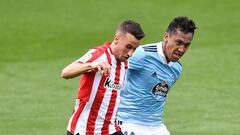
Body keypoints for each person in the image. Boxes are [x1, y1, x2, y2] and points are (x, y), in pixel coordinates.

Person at [61, 20, 145, 135]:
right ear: (116, 39)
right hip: (85, 130)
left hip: (110, 130)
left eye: (134, 49)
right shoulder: (99, 55)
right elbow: (66, 72)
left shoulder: (125, 63)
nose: (130, 53)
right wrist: (91, 65)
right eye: (128, 47)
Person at [117, 16, 197, 135]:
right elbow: (113, 64)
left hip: (155, 125)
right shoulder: (143, 54)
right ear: (166, 37)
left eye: (186, 45)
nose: (181, 49)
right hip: (129, 122)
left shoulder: (176, 68)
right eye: (178, 42)